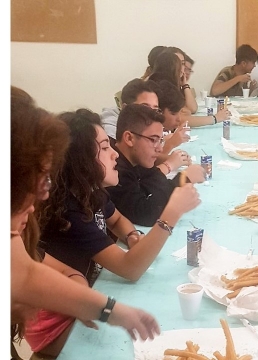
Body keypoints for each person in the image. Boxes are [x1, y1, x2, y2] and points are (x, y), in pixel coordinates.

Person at [27, 108, 200, 354]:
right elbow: (130, 269)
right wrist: (170, 216)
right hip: (57, 324)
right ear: (81, 161)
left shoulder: (91, 191)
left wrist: (130, 235)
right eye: (105, 149)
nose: (114, 155)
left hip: (82, 295)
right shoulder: (68, 210)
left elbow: (117, 219)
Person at [11, 86, 160, 358]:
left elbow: (26, 271)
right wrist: (169, 218)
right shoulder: (67, 210)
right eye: (38, 178)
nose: (42, 195)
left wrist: (108, 309)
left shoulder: (86, 195)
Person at [106, 103, 205, 226]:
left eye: (160, 140)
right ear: (129, 138)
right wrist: (183, 179)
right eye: (153, 140)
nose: (159, 148)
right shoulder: (115, 169)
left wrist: (177, 183)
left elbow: (151, 182)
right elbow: (146, 215)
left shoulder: (136, 158)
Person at [101, 78, 191, 174]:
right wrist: (169, 162)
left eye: (155, 110)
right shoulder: (110, 134)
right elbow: (142, 175)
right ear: (125, 108)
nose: (151, 114)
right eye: (145, 108)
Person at [150, 53, 231, 127]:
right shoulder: (162, 86)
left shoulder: (168, 83)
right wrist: (215, 118)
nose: (183, 70)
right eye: (181, 65)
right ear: (172, 68)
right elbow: (180, 120)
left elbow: (192, 108)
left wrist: (185, 85)